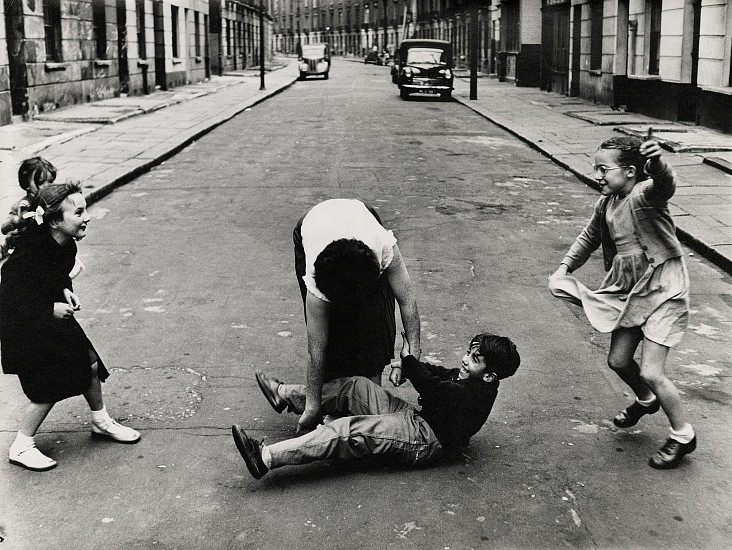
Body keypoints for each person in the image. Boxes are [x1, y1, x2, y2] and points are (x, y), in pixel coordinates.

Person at [548, 135, 695, 470]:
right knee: (617, 360)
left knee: (652, 371)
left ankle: (683, 435)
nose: (598, 174)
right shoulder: (607, 202)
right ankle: (646, 400)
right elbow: (589, 237)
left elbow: (665, 184)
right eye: (595, 168)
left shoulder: (645, 195)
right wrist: (563, 269)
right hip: (628, 290)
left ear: (631, 171)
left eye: (604, 169)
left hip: (663, 289)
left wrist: (656, 164)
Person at [231, 332, 520, 479]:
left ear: (490, 375)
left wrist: (408, 362)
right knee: (357, 386)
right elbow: (437, 374)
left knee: (348, 431)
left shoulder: (476, 394)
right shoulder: (469, 379)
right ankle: (286, 395)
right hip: (417, 421)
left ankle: (266, 457)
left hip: (424, 440)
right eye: (469, 352)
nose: (466, 358)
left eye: (474, 358)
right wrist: (407, 366)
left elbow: (435, 387)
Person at [1, 182, 140, 472]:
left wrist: (65, 289)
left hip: (51, 319)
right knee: (48, 385)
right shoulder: (29, 253)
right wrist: (49, 309)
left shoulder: (66, 244)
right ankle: (22, 445)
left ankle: (100, 421)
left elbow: (57, 275)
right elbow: (10, 301)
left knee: (88, 363)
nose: (86, 217)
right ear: (54, 221)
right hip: (25, 328)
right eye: (79, 212)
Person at [293, 198, 421, 434]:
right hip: (313, 222)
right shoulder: (316, 285)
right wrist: (312, 406)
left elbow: (407, 300)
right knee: (333, 327)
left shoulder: (384, 247)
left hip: (363, 215)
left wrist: (412, 358)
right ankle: (332, 397)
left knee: (376, 314)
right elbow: (316, 349)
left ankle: (369, 387)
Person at [1, 157, 57, 258]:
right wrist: (19, 218)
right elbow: (5, 228)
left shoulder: (54, 201)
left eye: (51, 181)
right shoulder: (22, 205)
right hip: (28, 253)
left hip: (50, 250)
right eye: (40, 182)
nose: (47, 186)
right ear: (27, 184)